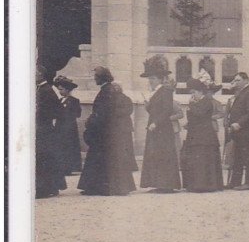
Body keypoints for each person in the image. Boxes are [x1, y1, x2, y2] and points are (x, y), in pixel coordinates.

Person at [78, 67, 137, 196]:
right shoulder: (108, 90)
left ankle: (99, 188)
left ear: (101, 77)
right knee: (107, 159)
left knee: (101, 159)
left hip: (104, 133)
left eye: (96, 76)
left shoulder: (106, 91)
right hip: (107, 132)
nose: (94, 79)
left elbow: (102, 113)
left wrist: (91, 122)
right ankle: (103, 187)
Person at [139, 56, 182, 193]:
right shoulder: (156, 92)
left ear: (159, 79)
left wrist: (156, 123)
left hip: (162, 128)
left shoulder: (166, 91)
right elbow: (155, 110)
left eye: (152, 79)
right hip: (156, 127)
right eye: (149, 79)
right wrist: (148, 106)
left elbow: (166, 110)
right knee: (155, 154)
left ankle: (167, 185)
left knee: (164, 154)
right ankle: (158, 183)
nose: (150, 81)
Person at [181, 77, 223, 192]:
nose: (192, 95)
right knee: (196, 160)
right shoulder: (197, 102)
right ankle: (195, 185)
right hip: (195, 135)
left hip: (205, 136)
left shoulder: (206, 102)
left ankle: (206, 185)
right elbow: (194, 118)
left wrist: (191, 106)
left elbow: (200, 114)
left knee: (204, 160)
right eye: (191, 93)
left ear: (200, 91)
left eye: (194, 92)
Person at [226, 71, 249, 190]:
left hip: (246, 131)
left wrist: (239, 124)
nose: (236, 82)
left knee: (247, 157)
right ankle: (235, 182)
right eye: (235, 80)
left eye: (238, 80)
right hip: (238, 131)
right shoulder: (240, 93)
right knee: (238, 157)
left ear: (246, 80)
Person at [35, 67, 63, 198]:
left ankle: (46, 188)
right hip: (41, 128)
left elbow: (56, 109)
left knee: (45, 159)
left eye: (35, 72)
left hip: (44, 129)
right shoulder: (40, 89)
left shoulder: (47, 90)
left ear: (41, 74)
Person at [53, 75, 82, 178]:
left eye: (61, 89)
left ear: (67, 90)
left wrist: (68, 113)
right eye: (59, 89)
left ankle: (69, 167)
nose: (60, 91)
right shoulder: (58, 101)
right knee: (60, 146)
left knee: (69, 146)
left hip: (69, 127)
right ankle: (61, 167)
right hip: (60, 126)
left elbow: (78, 114)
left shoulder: (74, 101)